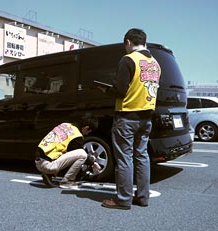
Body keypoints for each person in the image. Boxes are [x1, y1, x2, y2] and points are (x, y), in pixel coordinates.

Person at [101, 28, 161, 210]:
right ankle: (142, 197)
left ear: (128, 42)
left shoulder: (128, 60)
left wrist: (106, 89)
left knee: (124, 158)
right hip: (146, 117)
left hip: (127, 116)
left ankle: (123, 199)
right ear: (144, 41)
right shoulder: (155, 63)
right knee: (142, 157)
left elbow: (120, 90)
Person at [35, 116, 100, 188]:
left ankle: (48, 173)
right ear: (86, 128)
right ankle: (66, 181)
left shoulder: (65, 125)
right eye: (88, 131)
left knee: (65, 152)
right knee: (82, 154)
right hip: (47, 165)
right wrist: (93, 163)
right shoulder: (76, 136)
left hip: (38, 161)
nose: (87, 134)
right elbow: (78, 155)